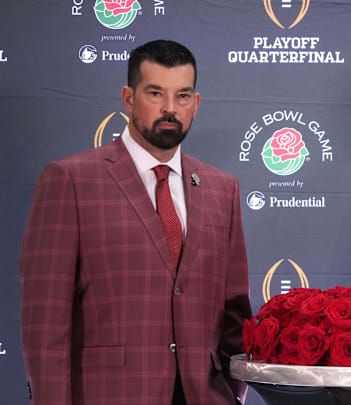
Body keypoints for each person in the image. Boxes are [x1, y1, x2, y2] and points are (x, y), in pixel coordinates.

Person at [20, 40, 252, 405]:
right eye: (156, 93)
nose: (170, 109)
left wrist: (230, 394)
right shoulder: (70, 179)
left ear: (197, 103)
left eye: (183, 96)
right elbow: (45, 320)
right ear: (129, 98)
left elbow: (235, 315)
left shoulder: (223, 189)